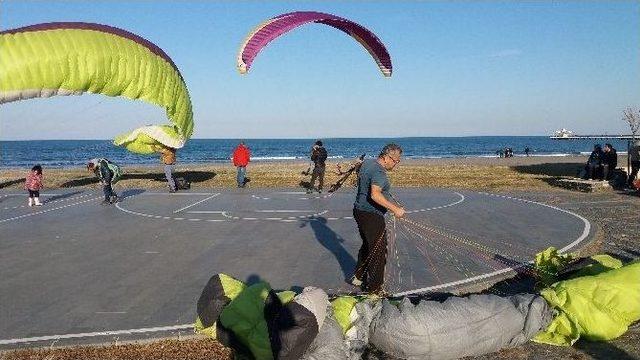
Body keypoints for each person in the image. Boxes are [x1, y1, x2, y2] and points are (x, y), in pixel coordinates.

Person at [349, 144, 405, 294]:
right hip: (371, 214)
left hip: (359, 211)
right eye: (395, 160)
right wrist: (396, 210)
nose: (396, 164)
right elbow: (375, 194)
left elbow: (359, 168)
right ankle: (375, 290)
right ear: (386, 157)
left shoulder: (368, 163)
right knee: (379, 251)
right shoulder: (379, 171)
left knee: (368, 245)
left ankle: (358, 276)